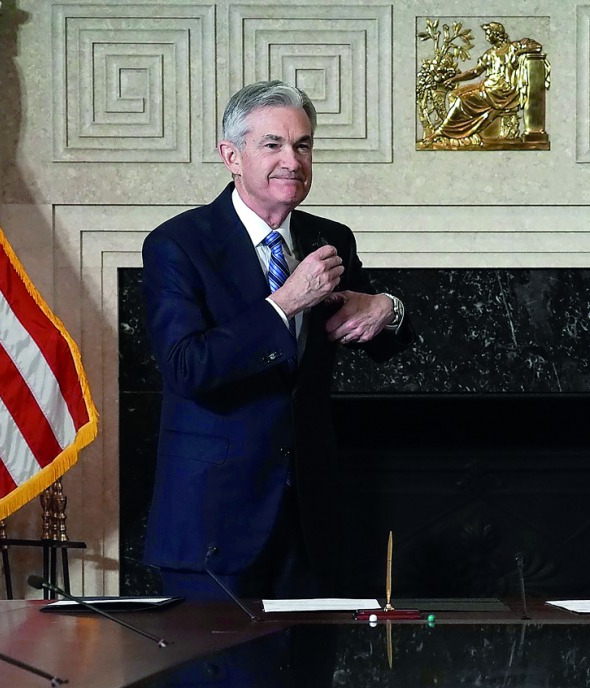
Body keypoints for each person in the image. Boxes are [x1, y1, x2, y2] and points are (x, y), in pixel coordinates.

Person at [141, 80, 412, 602]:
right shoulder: (178, 244)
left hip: (310, 525)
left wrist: (386, 308)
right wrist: (284, 303)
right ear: (232, 156)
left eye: (303, 145)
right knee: (218, 683)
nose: (292, 159)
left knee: (308, 681)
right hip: (213, 527)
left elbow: (381, 342)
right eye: (273, 145)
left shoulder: (329, 238)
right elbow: (186, 368)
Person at [425, 22, 544, 143]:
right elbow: (475, 72)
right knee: (455, 94)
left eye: (488, 34)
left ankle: (441, 131)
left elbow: (537, 47)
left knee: (462, 100)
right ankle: (460, 131)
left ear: (496, 34)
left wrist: (522, 48)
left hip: (502, 91)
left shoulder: (513, 47)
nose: (487, 37)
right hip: (488, 86)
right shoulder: (489, 54)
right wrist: (455, 79)